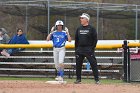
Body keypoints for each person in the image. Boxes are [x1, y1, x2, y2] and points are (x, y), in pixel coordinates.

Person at [74, 13, 100, 84]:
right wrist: (76, 50)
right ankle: (78, 79)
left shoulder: (91, 28)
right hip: (80, 49)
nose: (81, 19)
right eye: (81, 18)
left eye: (82, 18)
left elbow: (95, 39)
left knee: (93, 64)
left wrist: (92, 48)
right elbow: (76, 40)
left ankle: (97, 80)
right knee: (78, 65)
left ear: (86, 20)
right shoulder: (78, 29)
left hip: (88, 49)